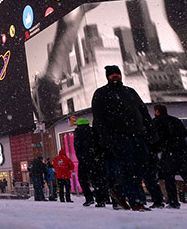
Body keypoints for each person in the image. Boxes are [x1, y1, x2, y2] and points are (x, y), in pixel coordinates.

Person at [92, 65, 152, 211]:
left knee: (141, 168)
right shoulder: (101, 93)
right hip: (118, 137)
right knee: (128, 169)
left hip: (137, 135)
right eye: (112, 74)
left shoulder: (130, 92)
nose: (115, 76)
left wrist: (150, 130)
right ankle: (137, 201)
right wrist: (105, 138)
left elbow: (143, 111)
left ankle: (120, 191)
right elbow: (99, 118)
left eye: (117, 74)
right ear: (107, 77)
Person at [153, 104, 187, 209]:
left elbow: (155, 138)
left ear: (157, 111)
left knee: (169, 177)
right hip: (181, 151)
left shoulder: (156, 122)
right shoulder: (175, 120)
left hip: (168, 152)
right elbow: (184, 133)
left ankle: (173, 202)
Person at [73, 118, 108, 207]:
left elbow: (77, 147)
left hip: (84, 159)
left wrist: (81, 157)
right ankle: (101, 199)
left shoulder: (78, 133)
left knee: (82, 179)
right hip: (95, 158)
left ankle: (89, 198)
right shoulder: (93, 131)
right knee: (97, 179)